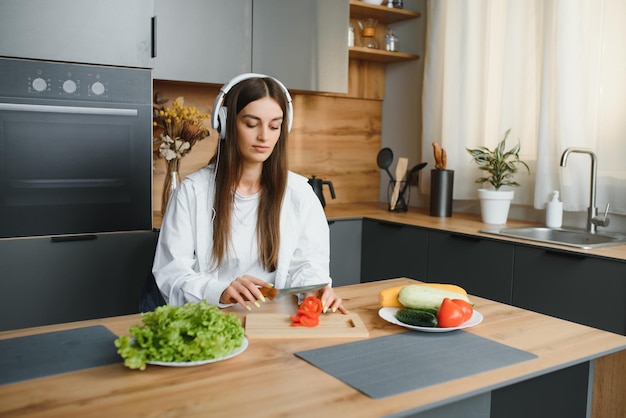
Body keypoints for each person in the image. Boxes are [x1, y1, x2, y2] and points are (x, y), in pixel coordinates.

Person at [152, 73, 347, 314]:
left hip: (277, 322)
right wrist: (219, 291)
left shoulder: (300, 194)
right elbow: (171, 274)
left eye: (274, 126)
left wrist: (314, 290)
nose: (264, 136)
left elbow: (307, 264)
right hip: (213, 318)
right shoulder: (191, 193)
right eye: (252, 124)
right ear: (225, 125)